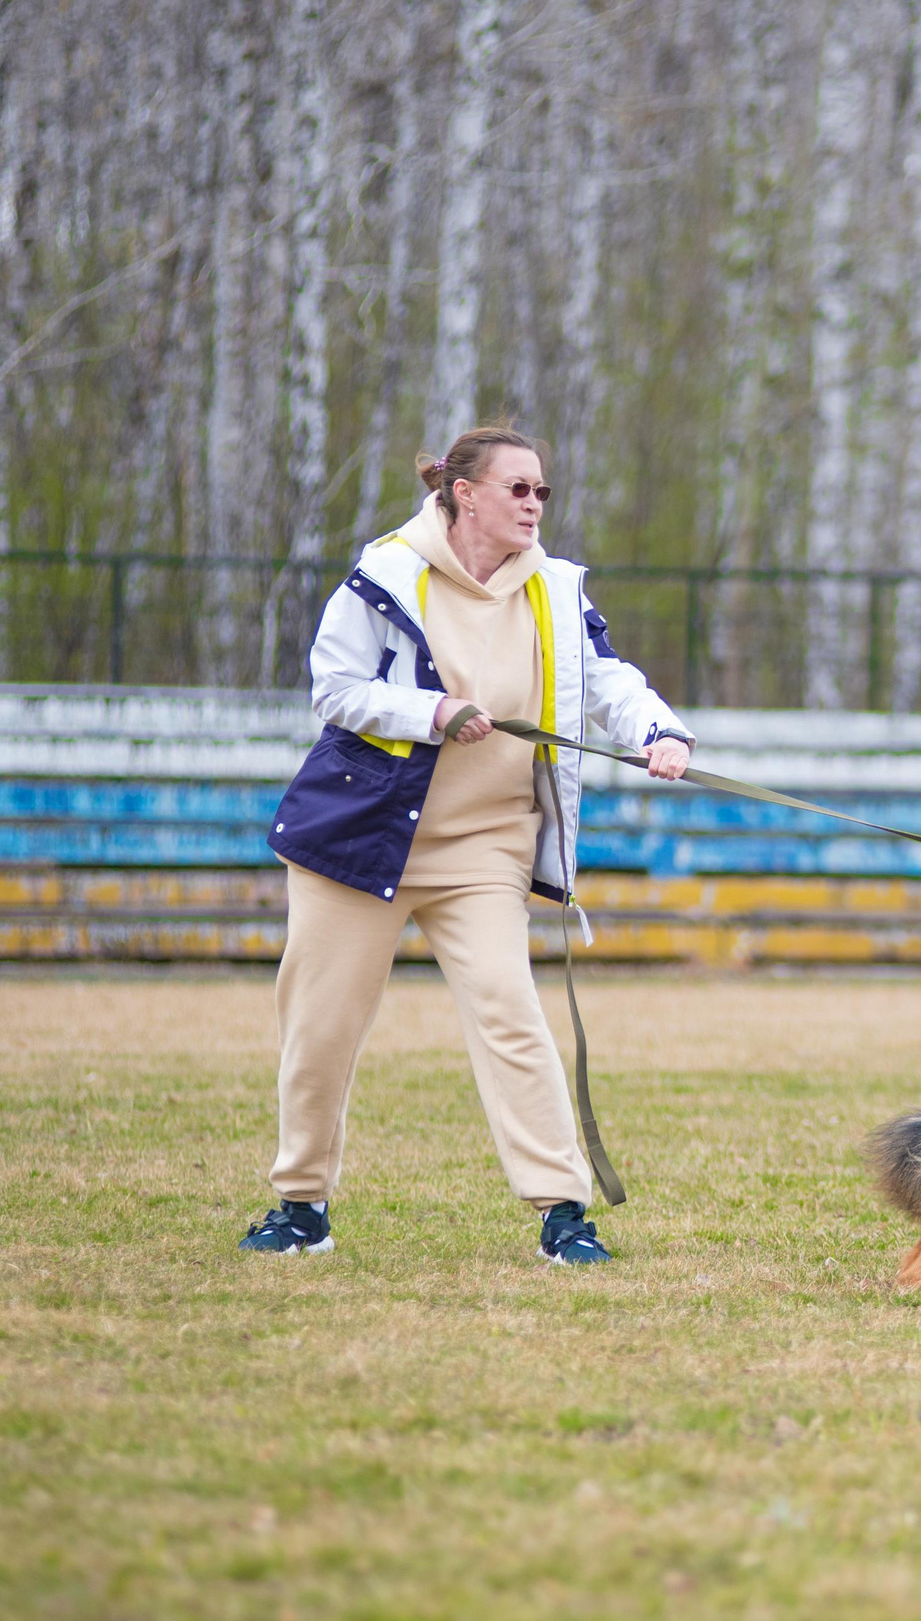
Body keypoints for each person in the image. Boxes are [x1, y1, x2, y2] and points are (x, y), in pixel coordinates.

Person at [239, 426, 696, 1264]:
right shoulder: (387, 571)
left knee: (510, 1012)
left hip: (486, 845)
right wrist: (433, 712)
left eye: (542, 492)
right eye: (518, 488)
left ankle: (565, 1214)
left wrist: (660, 732)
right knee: (319, 1024)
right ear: (463, 493)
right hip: (361, 837)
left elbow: (607, 677)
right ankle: (301, 1206)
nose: (534, 504)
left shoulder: (555, 589)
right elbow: (335, 688)